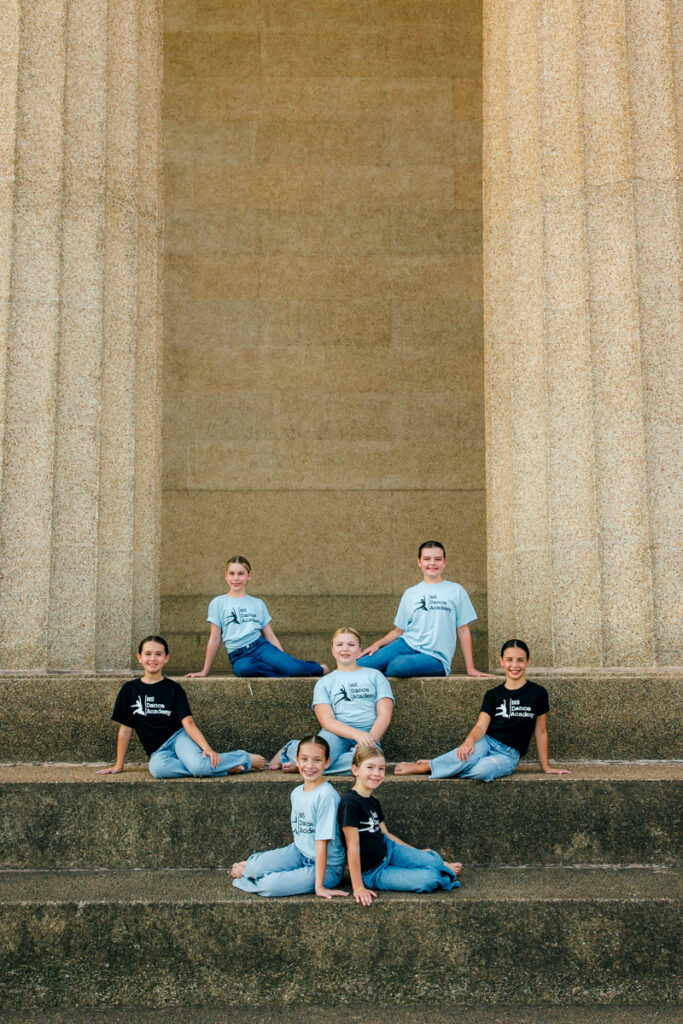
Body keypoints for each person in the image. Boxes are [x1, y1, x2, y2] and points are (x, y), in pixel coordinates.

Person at [395, 639, 572, 782]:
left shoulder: (537, 693)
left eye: (520, 660)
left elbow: (540, 732)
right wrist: (469, 741)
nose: (514, 665)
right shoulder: (493, 694)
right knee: (467, 754)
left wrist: (546, 767)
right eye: (509, 660)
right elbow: (481, 726)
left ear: (528, 662)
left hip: (508, 755)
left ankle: (444, 766)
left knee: (482, 771)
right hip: (487, 742)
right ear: (502, 661)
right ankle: (426, 767)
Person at [97, 635, 266, 779]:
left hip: (179, 738)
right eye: (147, 654)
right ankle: (220, 768)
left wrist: (207, 748)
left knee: (199, 766)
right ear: (139, 657)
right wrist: (119, 765)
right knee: (157, 770)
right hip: (157, 750)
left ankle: (243, 758)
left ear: (166, 658)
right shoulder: (129, 690)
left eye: (158, 654)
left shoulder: (173, 689)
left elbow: (188, 723)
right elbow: (125, 730)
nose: (153, 659)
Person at [338, 746, 461, 905]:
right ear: (355, 770)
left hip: (389, 849)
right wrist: (358, 887)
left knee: (432, 859)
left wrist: (415, 851)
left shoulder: (373, 801)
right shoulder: (350, 803)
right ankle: (441, 870)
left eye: (381, 769)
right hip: (374, 872)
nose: (376, 773)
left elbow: (387, 835)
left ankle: (439, 865)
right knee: (428, 880)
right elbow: (352, 846)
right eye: (370, 767)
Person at [231, 735, 347, 899]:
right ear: (297, 760)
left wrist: (319, 886)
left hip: (327, 867)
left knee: (270, 886)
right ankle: (250, 869)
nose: (310, 766)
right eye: (304, 759)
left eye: (317, 760)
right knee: (255, 867)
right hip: (300, 852)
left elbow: (322, 843)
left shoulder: (326, 795)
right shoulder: (297, 793)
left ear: (327, 763)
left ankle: (248, 874)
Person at [269, 627, 394, 775]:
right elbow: (327, 721)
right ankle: (291, 749)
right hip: (335, 734)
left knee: (369, 764)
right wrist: (356, 735)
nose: (345, 649)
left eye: (351, 645)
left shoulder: (375, 676)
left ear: (360, 649)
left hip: (369, 735)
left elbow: (384, 714)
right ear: (332, 648)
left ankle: (307, 765)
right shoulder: (325, 682)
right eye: (339, 644)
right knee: (322, 754)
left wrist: (369, 738)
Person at [356, 540, 490, 678]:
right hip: (406, 644)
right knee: (359, 664)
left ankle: (377, 675)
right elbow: (399, 631)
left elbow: (463, 630)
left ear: (444, 562)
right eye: (427, 559)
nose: (432, 563)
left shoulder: (456, 590)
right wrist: (377, 644)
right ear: (419, 562)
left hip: (435, 657)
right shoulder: (410, 593)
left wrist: (471, 668)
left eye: (438, 559)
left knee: (398, 665)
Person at [186, 555, 328, 678]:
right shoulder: (218, 603)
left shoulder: (257, 603)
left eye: (241, 574)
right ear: (225, 575)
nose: (236, 578)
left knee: (293, 668)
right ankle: (286, 672)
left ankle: (320, 669)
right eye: (232, 573)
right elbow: (215, 639)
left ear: (249, 576)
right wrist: (205, 671)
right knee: (245, 669)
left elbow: (270, 636)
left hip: (261, 647)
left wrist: (285, 660)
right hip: (239, 655)